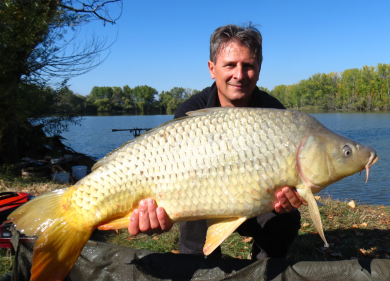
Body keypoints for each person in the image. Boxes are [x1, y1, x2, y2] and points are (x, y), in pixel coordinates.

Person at [128, 24, 306, 260]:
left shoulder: (275, 113)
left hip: (258, 201)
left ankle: (264, 265)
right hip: (202, 200)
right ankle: (199, 264)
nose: (239, 75)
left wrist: (290, 196)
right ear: (212, 69)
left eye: (248, 66)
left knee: (286, 219)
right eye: (230, 65)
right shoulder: (190, 111)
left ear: (259, 69)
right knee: (192, 201)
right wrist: (157, 211)